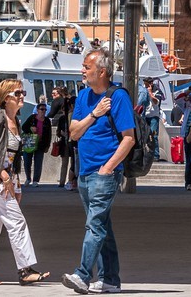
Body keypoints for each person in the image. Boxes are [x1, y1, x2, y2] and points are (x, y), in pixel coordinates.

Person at [63, 48, 136, 294]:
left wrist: (108, 167)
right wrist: (94, 114)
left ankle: (82, 274)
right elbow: (74, 133)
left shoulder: (118, 97)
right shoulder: (83, 96)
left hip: (104, 173)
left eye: (87, 67)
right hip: (85, 171)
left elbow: (129, 138)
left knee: (94, 225)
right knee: (102, 225)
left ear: (102, 71)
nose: (82, 70)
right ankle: (110, 279)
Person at [0, 79, 51, 285]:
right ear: (6, 98)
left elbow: (14, 156)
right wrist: (1, 174)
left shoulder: (16, 121)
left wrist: (16, 182)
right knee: (17, 222)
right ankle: (25, 269)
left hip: (6, 180)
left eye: (23, 92)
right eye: (18, 93)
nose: (22, 96)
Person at [20, 102, 51, 186]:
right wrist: (30, 129)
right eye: (42, 109)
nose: (43, 111)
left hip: (41, 144)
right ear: (37, 110)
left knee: (38, 163)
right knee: (27, 161)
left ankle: (35, 180)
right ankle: (28, 178)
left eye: (45, 110)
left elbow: (49, 134)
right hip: (30, 142)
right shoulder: (32, 118)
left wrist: (47, 145)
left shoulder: (47, 120)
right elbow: (24, 127)